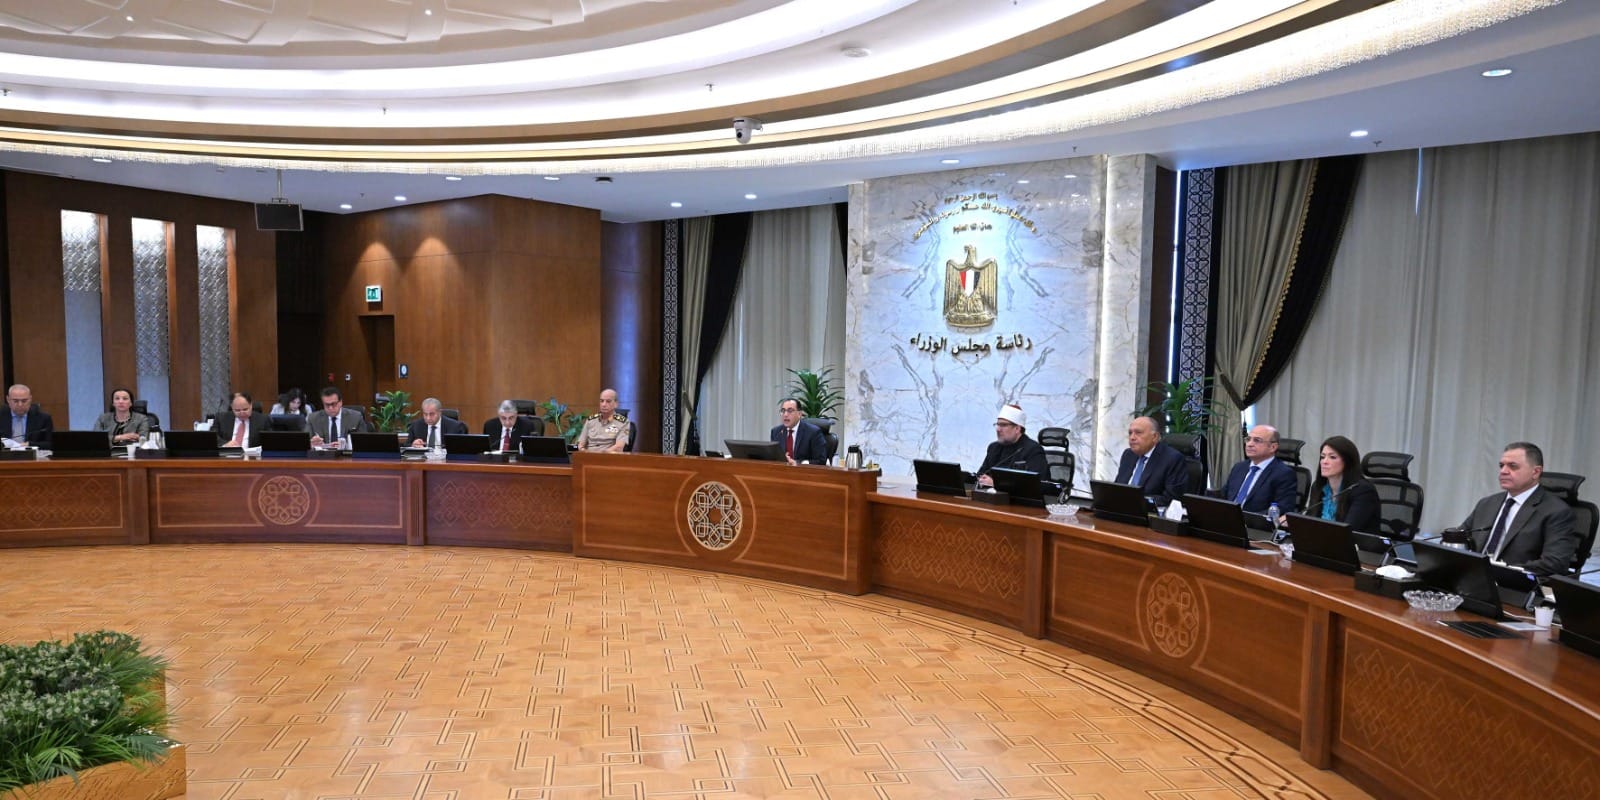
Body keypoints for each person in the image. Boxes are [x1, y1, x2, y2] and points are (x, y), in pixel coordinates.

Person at [1458, 442, 1578, 577]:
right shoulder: (1487, 503)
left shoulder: (1557, 512)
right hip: (1473, 576)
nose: (1503, 471)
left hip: (1514, 582)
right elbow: (1458, 537)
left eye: (1513, 466)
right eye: (1501, 465)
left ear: (1535, 472)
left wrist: (1499, 570)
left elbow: (1555, 563)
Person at [1215, 424, 1298, 516]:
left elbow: (1281, 509)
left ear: (1273, 447)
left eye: (1257, 440)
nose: (1249, 444)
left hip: (1253, 523)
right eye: (1248, 439)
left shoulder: (1283, 474)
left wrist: (1244, 518)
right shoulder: (1239, 467)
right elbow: (1224, 496)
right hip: (1227, 518)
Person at [1302, 435, 1380, 532]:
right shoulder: (1318, 486)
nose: (1324, 462)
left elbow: (1347, 531)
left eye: (1332, 457)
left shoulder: (1363, 491)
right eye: (1322, 457)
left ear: (1348, 462)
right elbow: (1310, 520)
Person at [1113, 416, 1188, 505]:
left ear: (1155, 437)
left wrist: (1133, 500)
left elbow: (1170, 499)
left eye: (1138, 433)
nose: (1132, 437)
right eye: (1130, 433)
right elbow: (1117, 487)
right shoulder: (1128, 455)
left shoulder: (1172, 459)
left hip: (1149, 511)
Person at [975, 403, 1049, 487]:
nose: (998, 429)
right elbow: (981, 474)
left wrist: (996, 484)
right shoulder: (993, 448)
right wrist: (980, 479)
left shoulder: (1033, 450)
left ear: (1017, 429)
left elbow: (1035, 485)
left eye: (1003, 425)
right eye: (997, 424)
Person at [769, 398, 829, 465]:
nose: (785, 414)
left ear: (799, 414)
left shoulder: (813, 432)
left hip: (804, 470)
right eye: (783, 411)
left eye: (790, 411)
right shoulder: (776, 432)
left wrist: (798, 463)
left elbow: (821, 461)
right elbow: (773, 457)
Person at [5, 384, 54, 449]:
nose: (20, 404)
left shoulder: (43, 418)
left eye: (24, 401)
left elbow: (50, 444)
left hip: (32, 454)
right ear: (8, 399)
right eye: (15, 401)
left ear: (30, 399)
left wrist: (29, 444)